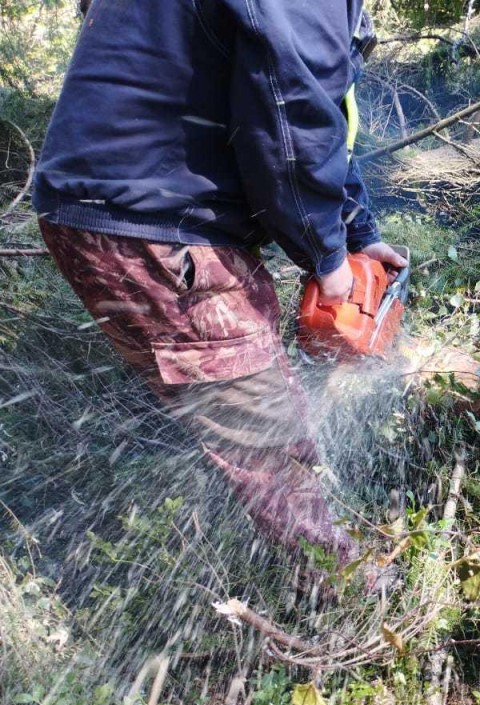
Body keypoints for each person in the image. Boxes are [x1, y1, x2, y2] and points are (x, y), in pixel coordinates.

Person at [32, 0, 406, 569]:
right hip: (158, 231)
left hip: (108, 208)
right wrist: (327, 260)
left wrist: (358, 231)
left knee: (244, 407)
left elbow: (322, 114)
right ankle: (353, 602)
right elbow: (292, 114)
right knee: (269, 443)